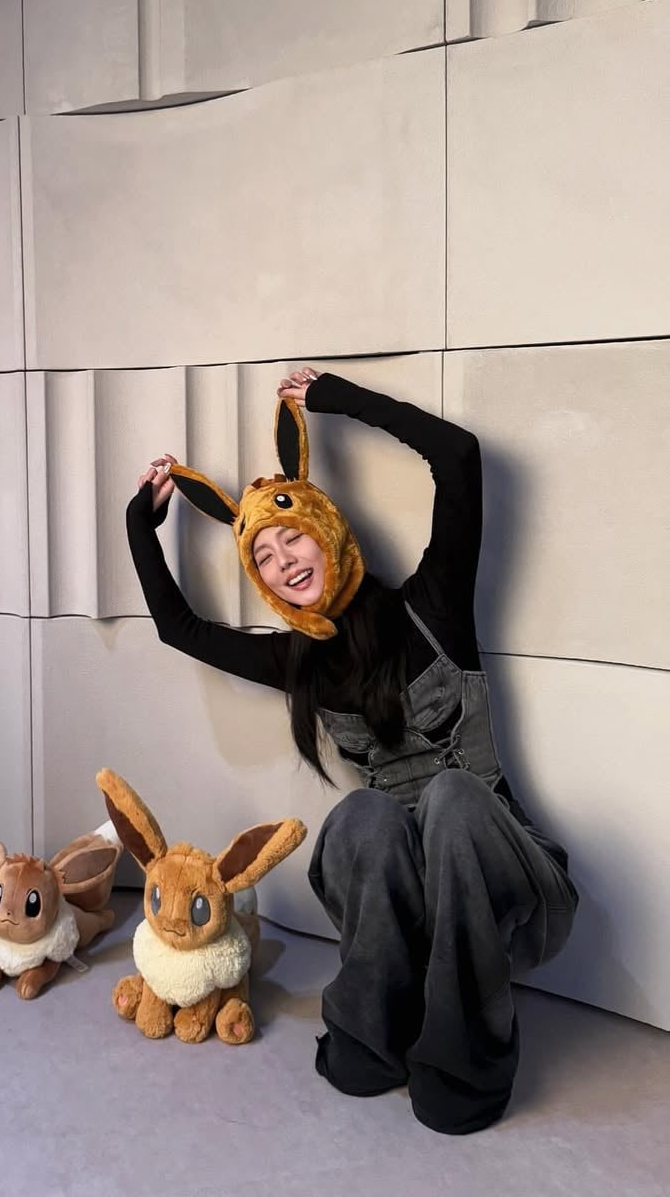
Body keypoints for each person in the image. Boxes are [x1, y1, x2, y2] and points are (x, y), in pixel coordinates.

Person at [126, 365, 577, 1135]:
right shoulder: (296, 662)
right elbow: (180, 629)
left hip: (509, 884)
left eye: (292, 536)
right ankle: (372, 1033)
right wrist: (144, 521)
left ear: (328, 530)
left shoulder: (431, 607)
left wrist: (335, 399)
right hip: (404, 905)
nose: (285, 562)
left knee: (451, 798)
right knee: (365, 813)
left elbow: (459, 458)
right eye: (265, 558)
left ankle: (466, 1063)